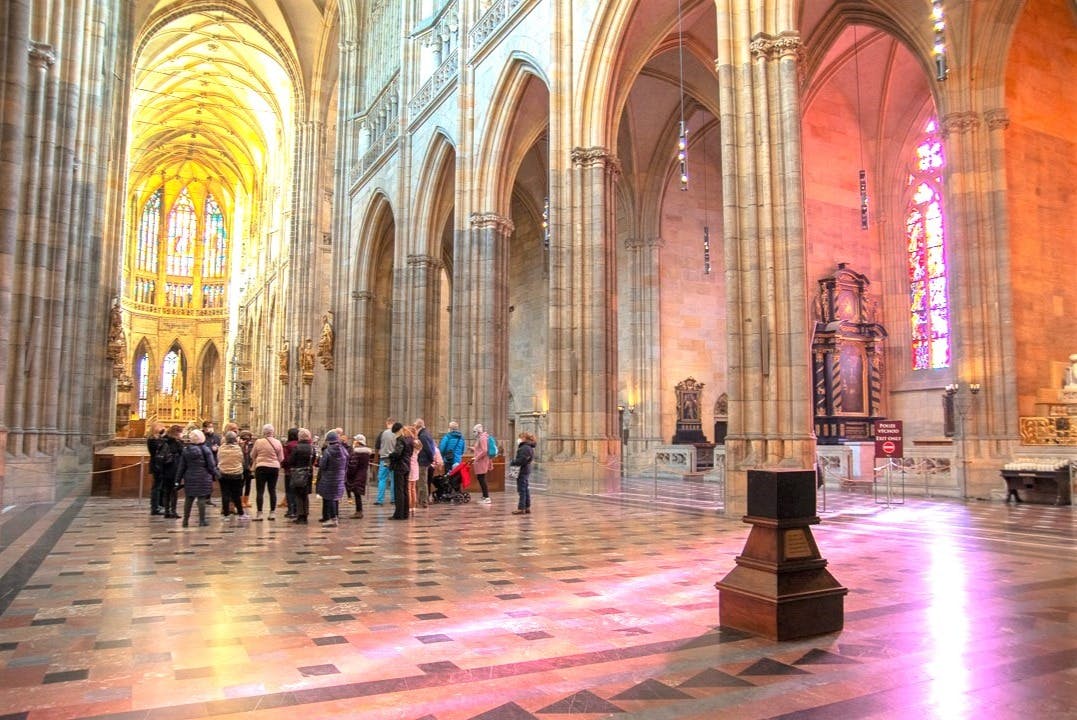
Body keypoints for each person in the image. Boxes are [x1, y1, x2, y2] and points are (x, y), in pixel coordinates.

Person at [174, 429, 219, 528]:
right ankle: (202, 520)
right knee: (201, 498)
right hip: (203, 477)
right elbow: (211, 466)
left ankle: (185, 521)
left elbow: (182, 466)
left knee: (189, 499)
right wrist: (217, 475)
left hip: (190, 477)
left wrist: (177, 480)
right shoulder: (206, 450)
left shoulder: (186, 450)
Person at [251, 423, 284, 520]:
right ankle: (272, 513)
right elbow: (281, 458)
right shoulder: (278, 442)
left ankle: (259, 513)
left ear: (263, 432)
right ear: (273, 432)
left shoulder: (258, 442)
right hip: (274, 468)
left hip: (261, 467)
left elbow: (252, 455)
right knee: (272, 490)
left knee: (260, 491)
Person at [318, 430, 349, 527]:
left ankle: (333, 519)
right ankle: (335, 517)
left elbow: (322, 465)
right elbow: (347, 460)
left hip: (329, 478)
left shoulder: (328, 451)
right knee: (335, 497)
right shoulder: (343, 449)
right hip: (340, 477)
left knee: (330, 497)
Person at [217, 431, 247, 518]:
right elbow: (242, 460)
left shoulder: (221, 448)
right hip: (236, 474)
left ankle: (226, 513)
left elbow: (218, 459)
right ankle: (241, 512)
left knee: (225, 494)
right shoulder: (238, 449)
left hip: (223, 473)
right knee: (236, 494)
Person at [289, 428, 316, 524]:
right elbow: (313, 461)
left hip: (298, 473)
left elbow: (291, 461)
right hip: (308, 473)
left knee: (298, 495)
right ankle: (306, 515)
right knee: (305, 495)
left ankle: (300, 516)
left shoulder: (296, 447)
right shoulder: (312, 448)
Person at [157, 424, 184, 519]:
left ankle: (167, 511)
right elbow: (182, 453)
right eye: (181, 432)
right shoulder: (176, 442)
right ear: (177, 433)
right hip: (173, 469)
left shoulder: (163, 440)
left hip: (164, 469)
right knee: (173, 491)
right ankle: (173, 511)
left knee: (166, 491)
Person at [388, 423, 413, 519]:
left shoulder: (400, 440)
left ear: (397, 431)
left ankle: (398, 514)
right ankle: (405, 513)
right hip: (407, 466)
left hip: (400, 467)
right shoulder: (408, 440)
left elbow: (398, 453)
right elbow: (409, 453)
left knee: (399, 491)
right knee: (405, 490)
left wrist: (391, 455)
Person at [346, 434, 373, 518]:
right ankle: (359, 511)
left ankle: (359, 511)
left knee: (357, 493)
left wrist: (348, 472)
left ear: (358, 442)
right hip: (362, 474)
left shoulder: (357, 453)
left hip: (356, 475)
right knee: (357, 493)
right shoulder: (366, 453)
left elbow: (353, 465)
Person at [510, 432, 537, 515]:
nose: (518, 439)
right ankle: (527, 507)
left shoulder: (524, 448)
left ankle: (521, 508)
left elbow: (522, 460)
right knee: (525, 489)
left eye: (520, 438)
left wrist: (513, 462)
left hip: (522, 470)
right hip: (525, 470)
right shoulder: (528, 447)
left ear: (524, 438)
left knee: (521, 490)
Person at [374, 418, 399, 505]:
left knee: (382, 479)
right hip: (394, 459)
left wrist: (376, 459)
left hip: (384, 458)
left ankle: (380, 500)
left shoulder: (382, 433)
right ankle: (393, 499)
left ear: (387, 423)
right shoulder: (397, 434)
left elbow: (377, 446)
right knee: (393, 480)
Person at [414, 418, 436, 508]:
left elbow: (428, 449)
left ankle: (424, 501)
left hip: (423, 461)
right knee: (422, 482)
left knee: (422, 482)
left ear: (418, 426)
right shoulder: (425, 433)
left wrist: (431, 459)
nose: (414, 426)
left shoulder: (423, 435)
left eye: (414, 425)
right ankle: (421, 500)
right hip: (424, 460)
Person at [146, 423, 167, 516]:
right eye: (161, 428)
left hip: (162, 465)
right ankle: (155, 507)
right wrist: (162, 437)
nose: (163, 429)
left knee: (162, 486)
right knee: (157, 487)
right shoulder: (152, 440)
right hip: (157, 465)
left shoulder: (159, 439)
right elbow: (158, 448)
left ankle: (161, 504)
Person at [470, 423, 492, 504]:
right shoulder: (481, 438)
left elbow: (484, 450)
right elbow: (480, 449)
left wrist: (476, 457)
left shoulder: (482, 438)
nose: (473, 433)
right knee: (481, 478)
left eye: (474, 431)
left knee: (482, 479)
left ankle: (487, 497)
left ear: (478, 431)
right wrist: (473, 449)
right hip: (480, 461)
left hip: (481, 461)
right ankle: (484, 496)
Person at [281, 427, 300, 519]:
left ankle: (290, 510)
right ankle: (297, 510)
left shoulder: (287, 446)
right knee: (297, 491)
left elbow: (284, 459)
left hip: (289, 471)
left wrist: (284, 466)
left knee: (289, 491)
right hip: (299, 471)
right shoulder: (300, 444)